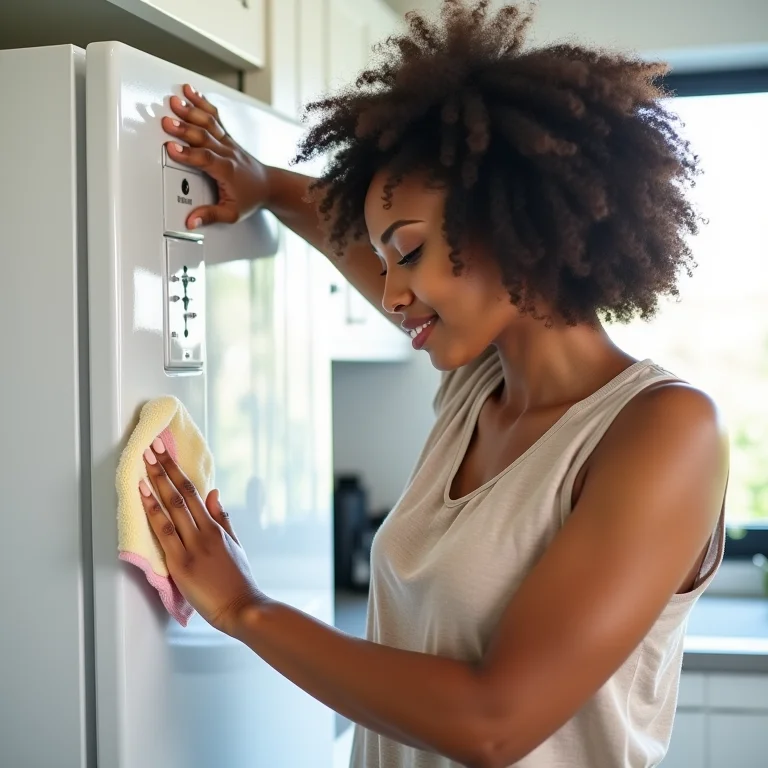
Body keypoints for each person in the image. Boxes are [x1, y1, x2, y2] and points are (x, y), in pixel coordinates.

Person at [138, 1, 729, 766]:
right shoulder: (476, 389)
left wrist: (248, 609)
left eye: (408, 254)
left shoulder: (665, 431)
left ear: (514, 223)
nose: (388, 293)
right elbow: (341, 235)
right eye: (384, 261)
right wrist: (266, 185)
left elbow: (495, 721)